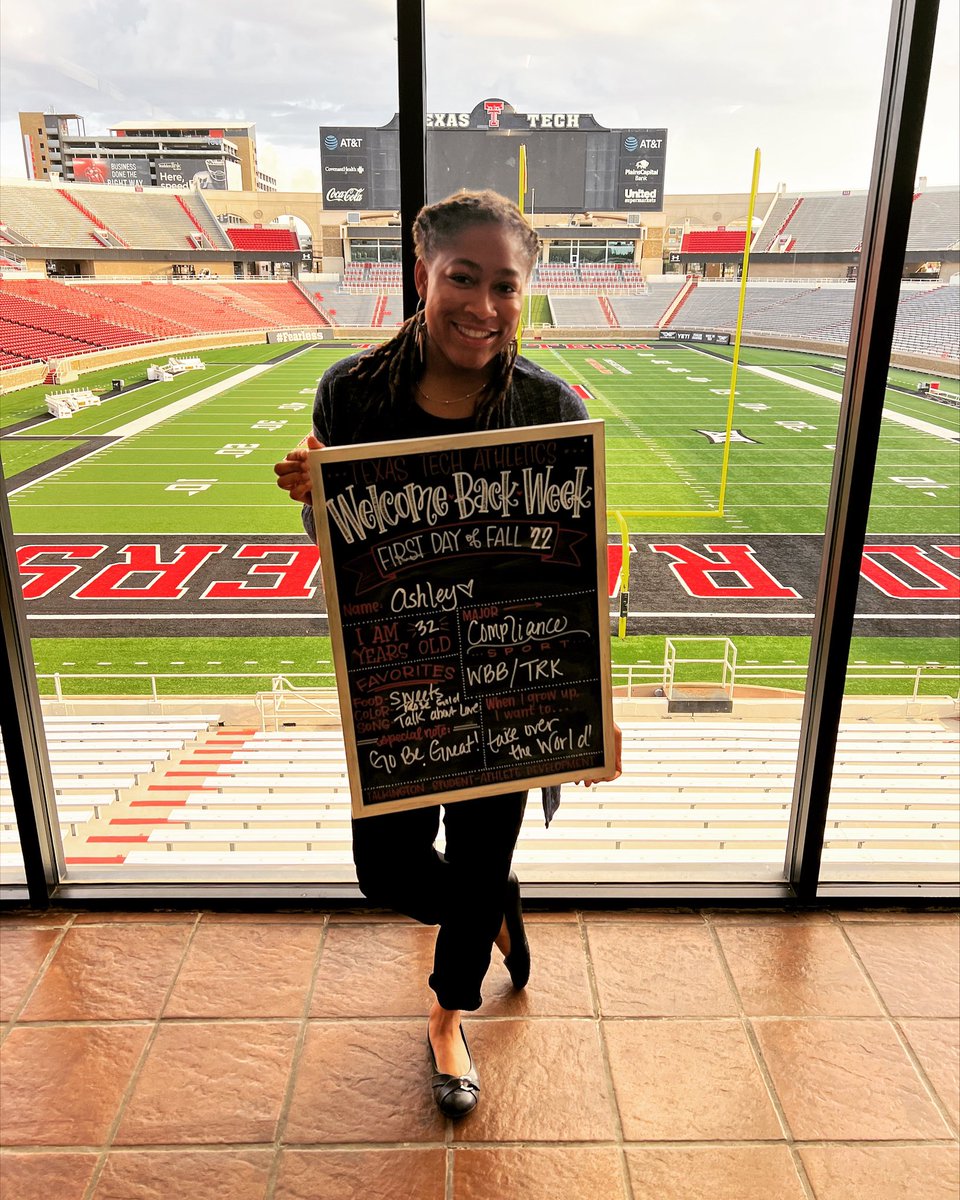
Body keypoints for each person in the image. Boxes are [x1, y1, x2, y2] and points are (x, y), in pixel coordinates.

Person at [274, 189, 622, 1119]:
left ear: (526, 293)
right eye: (463, 278)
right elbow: (341, 548)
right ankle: (493, 900)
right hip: (399, 674)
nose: (484, 305)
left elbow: (568, 571)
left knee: (474, 854)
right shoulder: (352, 392)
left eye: (505, 285)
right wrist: (314, 495)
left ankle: (449, 1015)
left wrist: (590, 711)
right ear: (422, 273)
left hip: (508, 679)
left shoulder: (546, 404)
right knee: (388, 871)